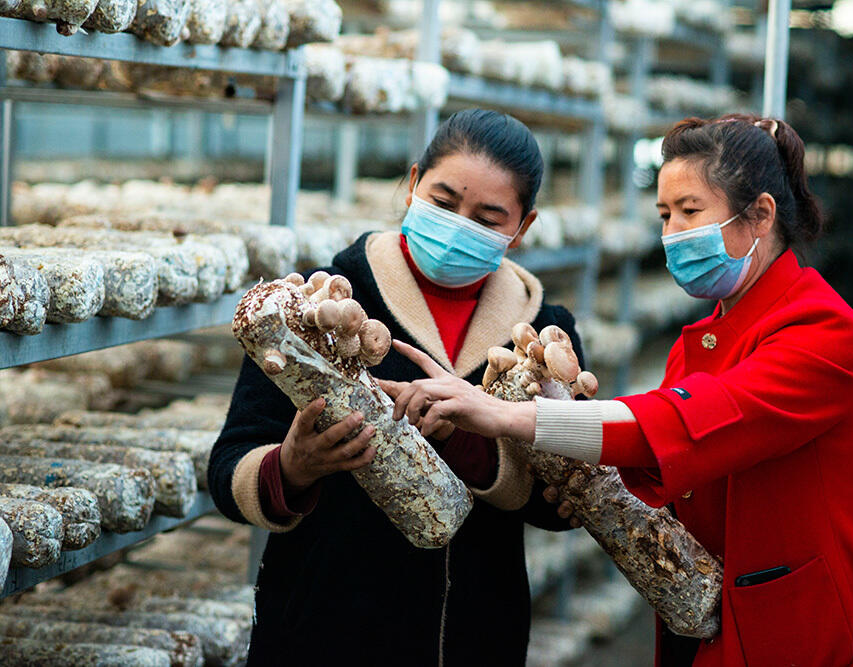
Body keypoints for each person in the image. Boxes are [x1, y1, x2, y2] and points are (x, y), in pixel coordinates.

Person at [384, 114, 853, 666]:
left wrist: (508, 416)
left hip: (801, 628)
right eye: (664, 215)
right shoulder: (701, 341)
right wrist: (590, 485)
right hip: (712, 620)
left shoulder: (826, 335)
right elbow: (671, 469)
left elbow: (696, 422)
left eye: (690, 211)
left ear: (759, 215)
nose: (671, 234)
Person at [209, 109, 584, 666]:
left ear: (522, 228)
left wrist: (469, 444)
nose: (459, 224)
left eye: (487, 216)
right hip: (329, 627)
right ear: (412, 184)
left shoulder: (542, 336)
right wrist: (294, 466)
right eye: (443, 201)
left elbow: (566, 503)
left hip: (477, 632)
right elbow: (228, 466)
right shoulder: (322, 305)